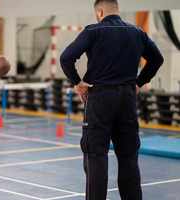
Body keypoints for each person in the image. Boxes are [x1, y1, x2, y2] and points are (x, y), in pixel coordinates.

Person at [60, 0, 164, 199]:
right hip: (127, 99)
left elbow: (66, 58)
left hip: (100, 99)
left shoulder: (93, 31)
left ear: (99, 12)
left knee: (96, 156)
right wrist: (139, 82)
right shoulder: (137, 32)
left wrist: (77, 82)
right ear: (117, 9)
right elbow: (157, 59)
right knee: (128, 157)